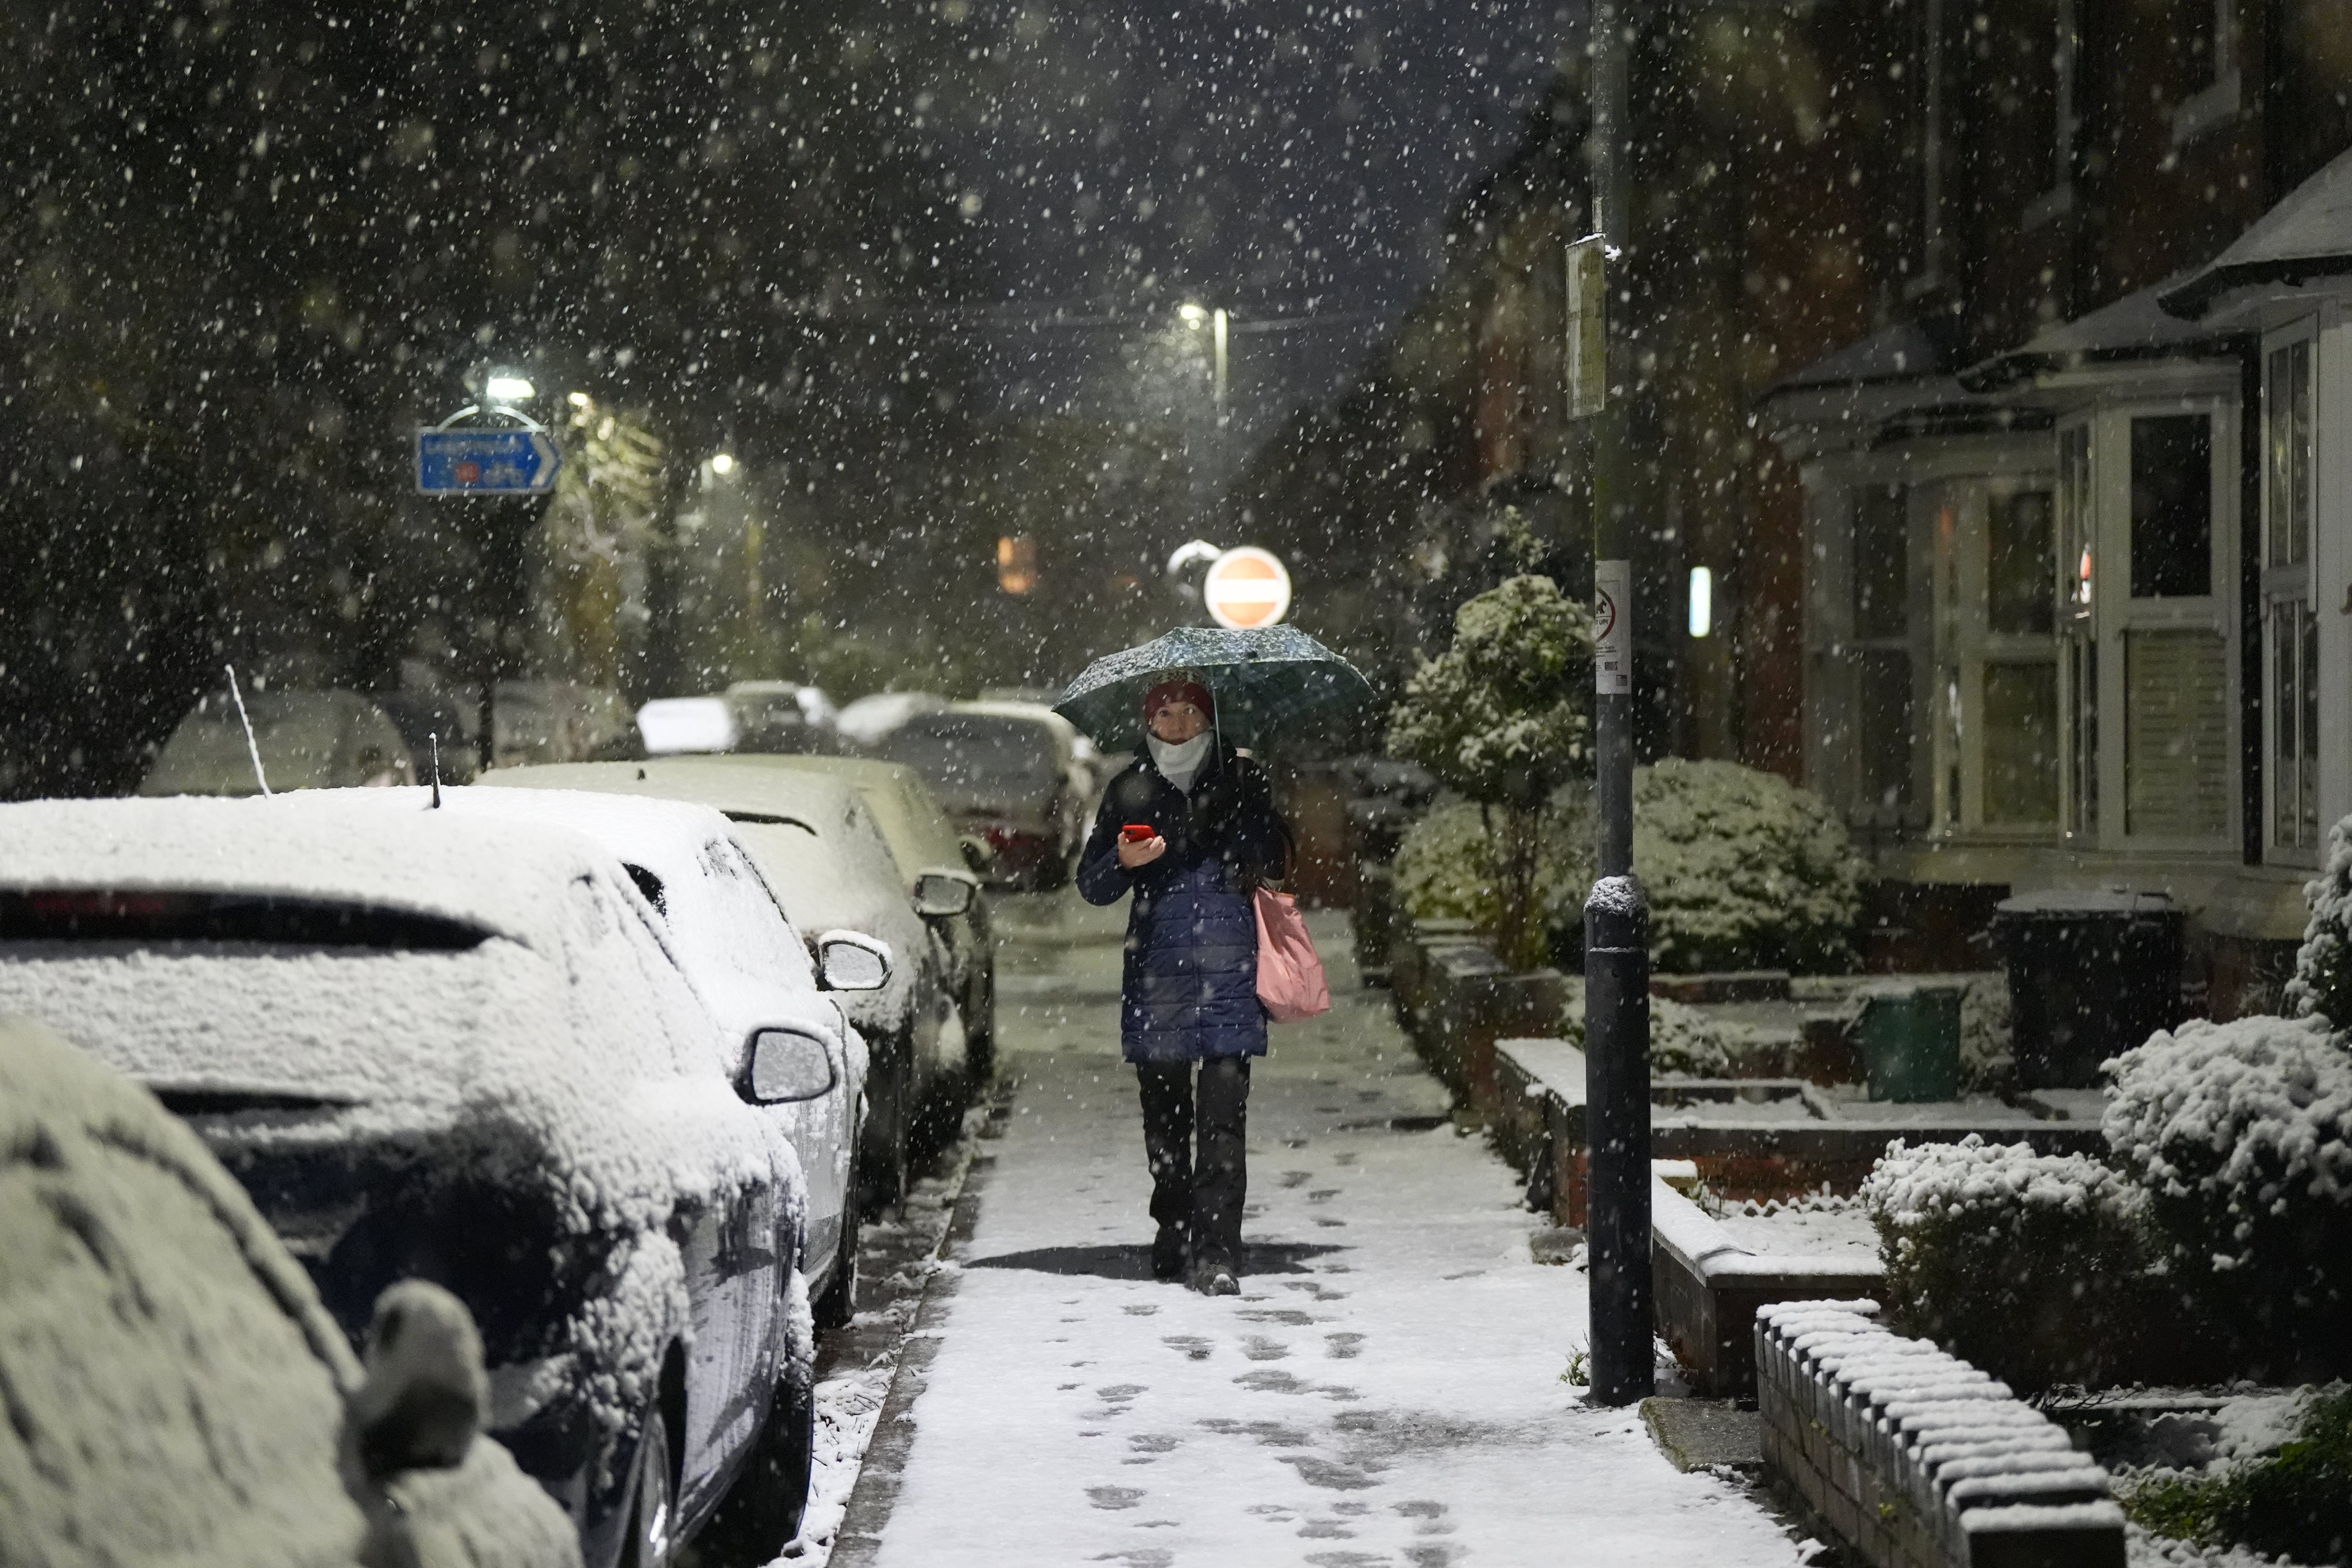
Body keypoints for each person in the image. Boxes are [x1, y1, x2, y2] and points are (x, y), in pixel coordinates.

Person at [1077, 675, 1290, 1296]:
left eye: (1189, 713)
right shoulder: (1130, 788)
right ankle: (1172, 1227)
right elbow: (1091, 886)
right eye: (1164, 713)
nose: (1176, 725)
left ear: (1209, 720)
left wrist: (1236, 815)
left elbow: (1274, 861)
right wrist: (1124, 861)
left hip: (1229, 971)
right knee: (1165, 1120)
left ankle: (1219, 1250)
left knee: (1223, 1124)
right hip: (1159, 974)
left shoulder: (1243, 779)